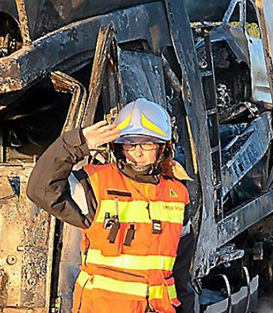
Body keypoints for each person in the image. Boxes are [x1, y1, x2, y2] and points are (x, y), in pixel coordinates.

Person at [27, 98, 193, 313]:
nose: (138, 152)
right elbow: (40, 189)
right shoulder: (95, 184)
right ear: (119, 146)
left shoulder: (177, 194)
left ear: (164, 146)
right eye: (130, 143)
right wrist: (75, 144)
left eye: (147, 143)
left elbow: (180, 271)